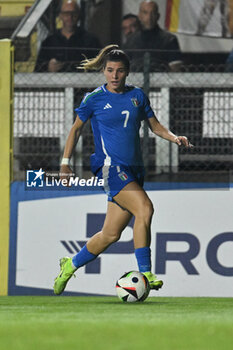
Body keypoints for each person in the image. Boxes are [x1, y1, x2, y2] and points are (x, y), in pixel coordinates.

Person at [53, 44, 192, 295]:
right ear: (103, 71)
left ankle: (69, 265)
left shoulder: (137, 95)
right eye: (109, 70)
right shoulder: (93, 99)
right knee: (145, 208)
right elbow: (75, 130)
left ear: (127, 72)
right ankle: (146, 273)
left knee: (110, 234)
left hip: (134, 170)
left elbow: (155, 126)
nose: (114, 76)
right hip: (110, 168)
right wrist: (65, 164)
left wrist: (174, 137)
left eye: (119, 71)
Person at [35, 0, 101, 72]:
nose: (70, 17)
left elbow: (101, 65)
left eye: (73, 13)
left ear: (79, 15)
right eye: (66, 13)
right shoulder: (49, 42)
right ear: (60, 16)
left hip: (83, 82)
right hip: (56, 82)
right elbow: (37, 71)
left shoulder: (90, 41)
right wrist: (48, 67)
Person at [123, 1, 182, 72]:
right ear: (139, 16)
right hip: (136, 81)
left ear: (158, 16)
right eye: (145, 13)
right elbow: (125, 67)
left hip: (162, 82)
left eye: (153, 13)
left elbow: (175, 69)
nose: (149, 17)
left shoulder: (169, 40)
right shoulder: (131, 40)